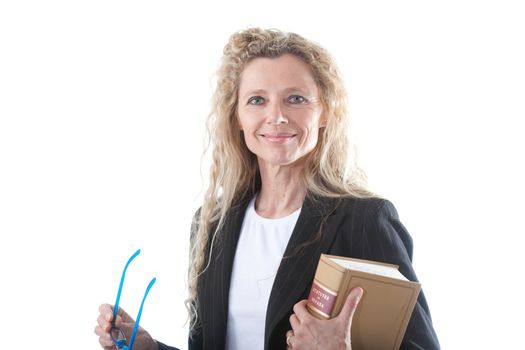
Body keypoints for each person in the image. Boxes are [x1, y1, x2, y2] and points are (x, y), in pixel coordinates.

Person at [95, 27, 440, 350]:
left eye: (296, 98)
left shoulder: (364, 220)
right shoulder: (212, 223)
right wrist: (148, 347)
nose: (276, 116)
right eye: (257, 100)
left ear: (324, 112)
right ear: (237, 117)